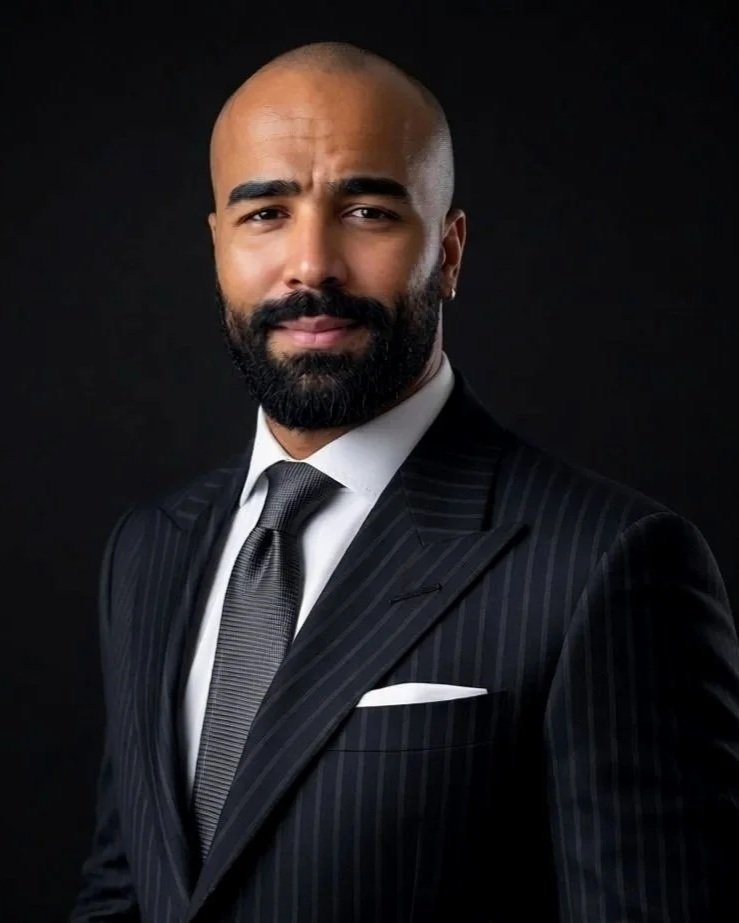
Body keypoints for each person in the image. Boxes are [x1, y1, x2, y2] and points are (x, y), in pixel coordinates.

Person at [71, 41, 739, 922]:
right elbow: (126, 893)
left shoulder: (605, 563)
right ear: (218, 248)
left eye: (368, 211)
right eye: (265, 213)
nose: (310, 265)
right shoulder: (148, 549)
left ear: (450, 250)